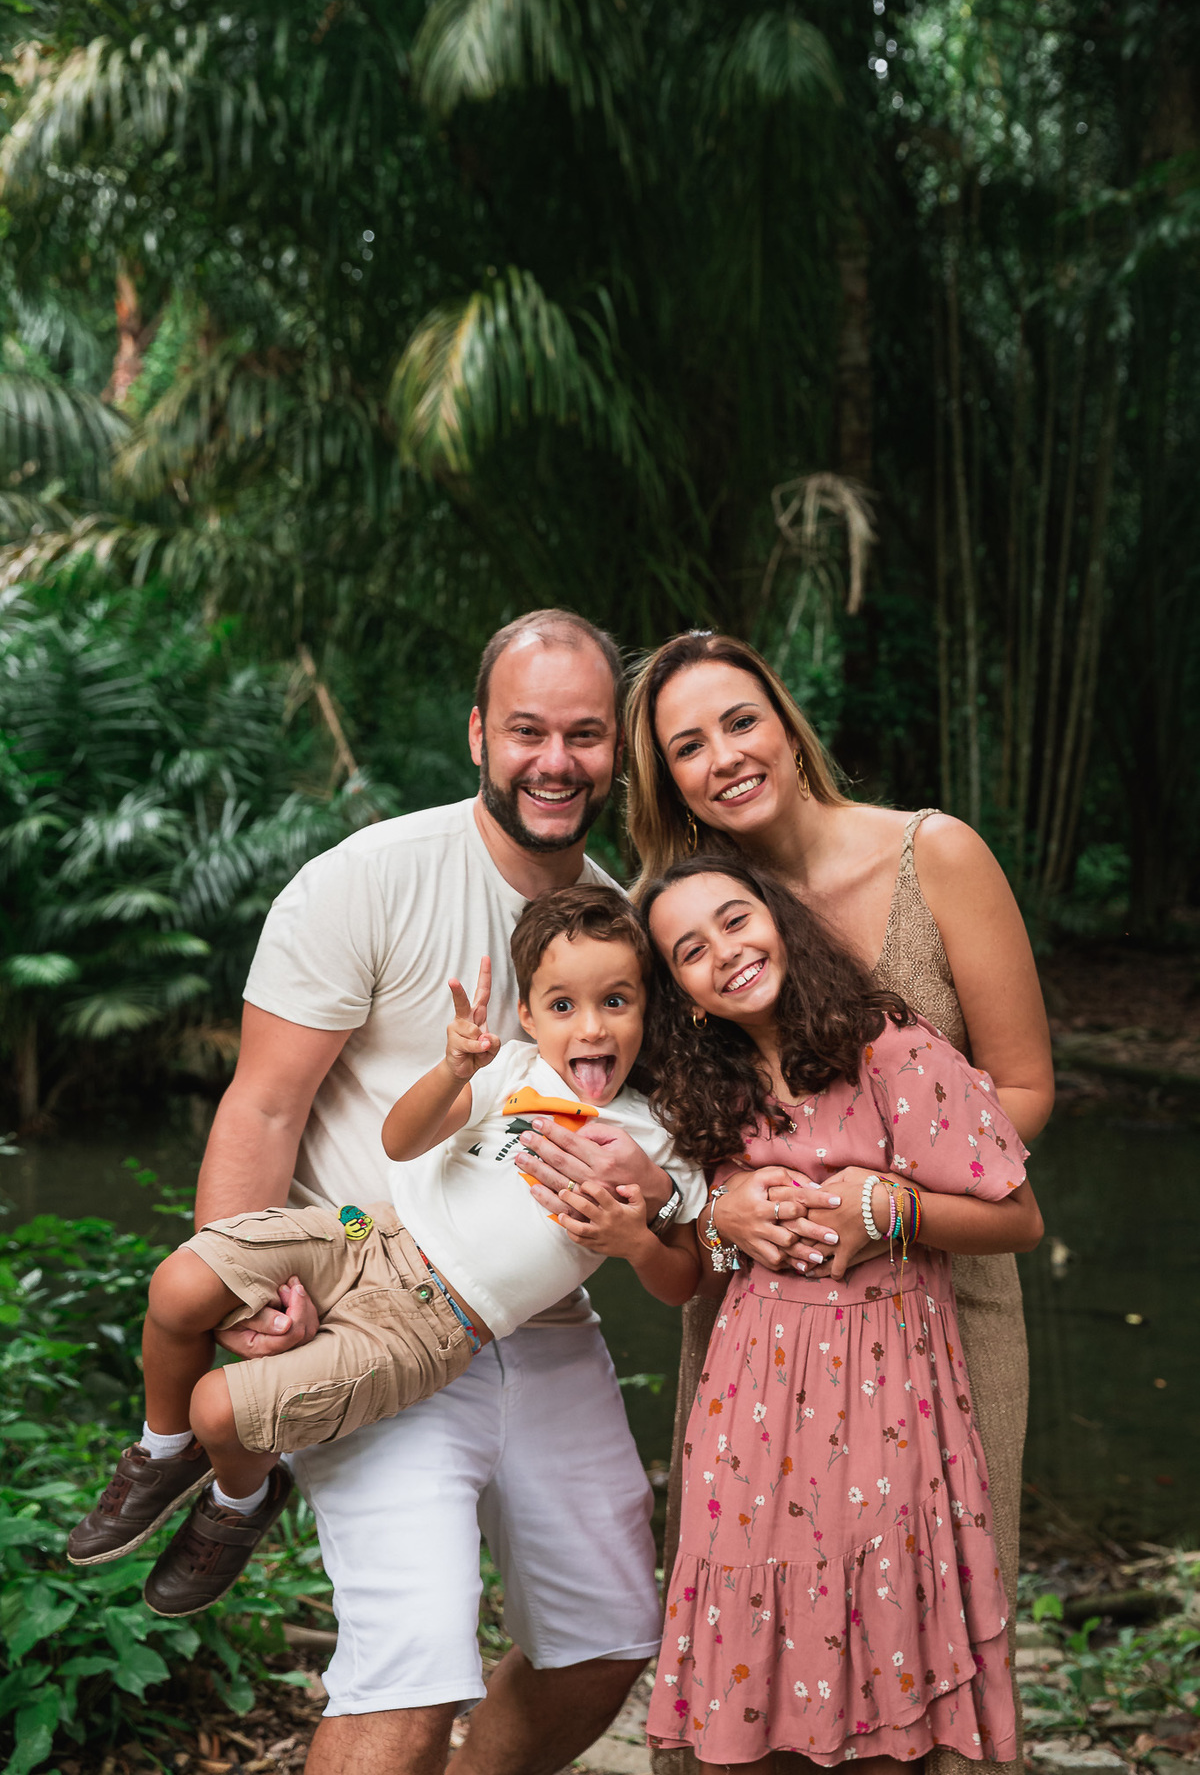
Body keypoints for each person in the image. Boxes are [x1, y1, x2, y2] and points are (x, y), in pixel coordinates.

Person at [533, 631, 1053, 1775]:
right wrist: (716, 1219)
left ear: (785, 719)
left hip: (939, 1296)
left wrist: (882, 1196)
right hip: (759, 1332)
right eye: (685, 746)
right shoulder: (682, 923)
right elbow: (666, 1139)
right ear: (663, 778)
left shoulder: (934, 857)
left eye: (738, 720)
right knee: (758, 1621)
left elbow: (1018, 1098)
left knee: (935, 1600)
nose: (722, 756)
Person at [173, 610, 682, 1775]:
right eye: (528, 731)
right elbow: (261, 1109)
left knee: (603, 1644)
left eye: (587, 734)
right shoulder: (368, 879)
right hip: (378, 1307)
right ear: (477, 736)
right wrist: (244, 1298)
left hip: (545, 1325)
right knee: (409, 1675)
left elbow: (669, 1144)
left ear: (618, 752)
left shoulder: (623, 933)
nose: (557, 761)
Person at [66, 887, 706, 1618]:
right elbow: (399, 1141)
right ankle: (160, 1445)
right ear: (528, 1015)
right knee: (180, 1284)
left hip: (435, 1324)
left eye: (616, 1001)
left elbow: (681, 1282)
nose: (590, 1027)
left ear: (649, 1007)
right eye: (563, 1006)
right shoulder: (512, 1072)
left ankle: (238, 1498)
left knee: (221, 1406)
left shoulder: (661, 1138)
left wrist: (633, 1241)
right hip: (368, 1234)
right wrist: (454, 1070)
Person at [638, 857, 1043, 1771]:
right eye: (691, 951)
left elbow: (1020, 1218)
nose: (727, 953)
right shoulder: (710, 1087)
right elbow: (696, 1268)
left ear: (779, 918)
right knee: (748, 1648)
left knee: (879, 1626)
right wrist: (718, 1218)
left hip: (886, 1389)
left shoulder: (889, 1048)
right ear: (685, 996)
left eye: (737, 920)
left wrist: (888, 1209)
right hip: (749, 1398)